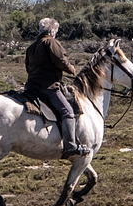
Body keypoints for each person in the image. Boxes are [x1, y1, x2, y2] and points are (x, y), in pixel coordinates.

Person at [25, 17, 90, 159]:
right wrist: (71, 69)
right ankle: (70, 146)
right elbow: (61, 60)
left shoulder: (31, 47)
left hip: (31, 86)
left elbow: (28, 68)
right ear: (53, 31)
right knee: (67, 112)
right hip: (48, 87)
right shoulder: (51, 42)